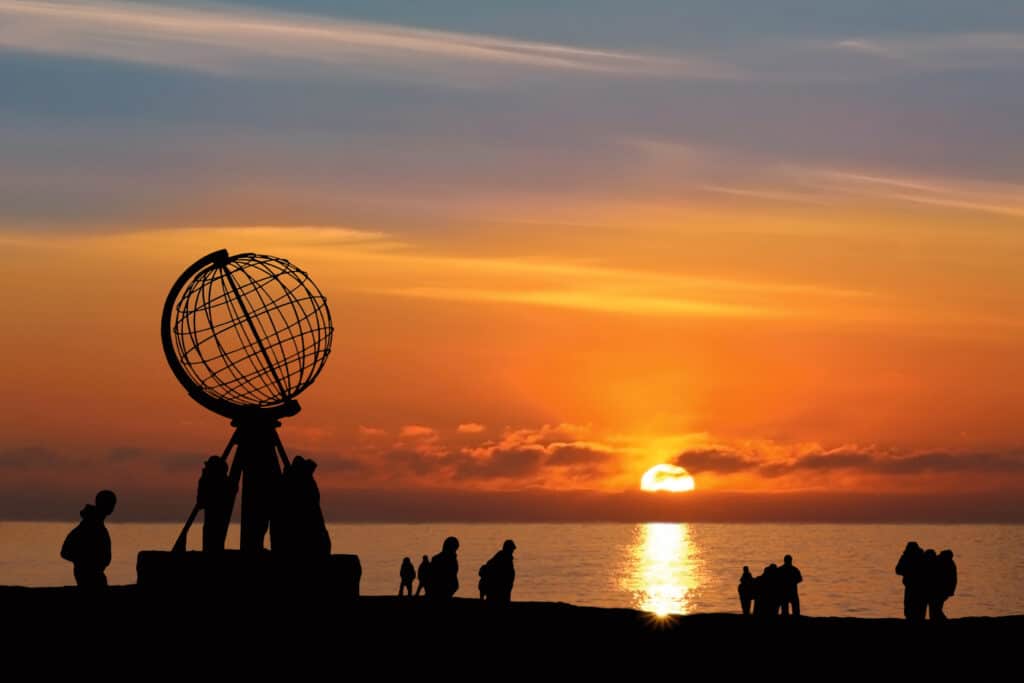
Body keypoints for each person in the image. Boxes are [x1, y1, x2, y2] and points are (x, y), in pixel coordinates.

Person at [60, 490, 117, 588]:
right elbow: (65, 552)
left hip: (95, 576)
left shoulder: (95, 525)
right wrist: (87, 562)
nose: (112, 507)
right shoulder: (89, 525)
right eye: (111, 503)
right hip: (89, 578)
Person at [196, 456, 234, 552]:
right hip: (215, 522)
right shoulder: (226, 483)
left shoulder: (216, 485)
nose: (204, 469)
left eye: (208, 468)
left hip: (214, 523)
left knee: (212, 545)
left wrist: (203, 480)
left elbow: (201, 502)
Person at [895, 541, 926, 621]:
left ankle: (913, 618)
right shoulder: (921, 556)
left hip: (916, 585)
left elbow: (898, 570)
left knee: (913, 605)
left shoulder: (907, 556)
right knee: (915, 605)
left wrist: (908, 571)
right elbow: (898, 570)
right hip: (915, 585)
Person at [479, 539, 516, 604]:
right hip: (498, 590)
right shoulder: (502, 558)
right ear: (508, 549)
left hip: (501, 590)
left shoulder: (503, 558)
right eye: (512, 549)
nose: (513, 551)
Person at [932, 549, 957, 620]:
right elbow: (953, 579)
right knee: (937, 607)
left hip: (941, 589)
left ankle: (941, 619)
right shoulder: (950, 563)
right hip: (943, 589)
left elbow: (952, 579)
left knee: (936, 607)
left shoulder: (944, 563)